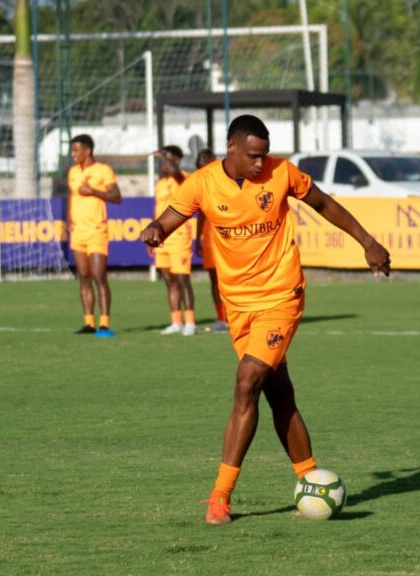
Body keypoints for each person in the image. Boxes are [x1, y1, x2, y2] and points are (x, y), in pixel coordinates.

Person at [139, 115, 391, 525]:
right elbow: (169, 218)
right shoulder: (202, 183)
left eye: (265, 155)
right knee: (279, 394)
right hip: (238, 305)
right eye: (254, 156)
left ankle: (220, 496)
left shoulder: (282, 173)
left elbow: (325, 203)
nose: (261, 163)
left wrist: (368, 242)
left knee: (247, 380)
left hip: (281, 295)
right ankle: (310, 478)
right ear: (232, 148)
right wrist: (156, 230)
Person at [67, 134, 122, 337]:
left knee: (99, 277)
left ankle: (105, 323)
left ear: (87, 151)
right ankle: (89, 322)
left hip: (96, 231)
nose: (73, 154)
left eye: (76, 150)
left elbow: (117, 197)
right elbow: (72, 199)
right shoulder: (72, 172)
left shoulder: (103, 170)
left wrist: (93, 191)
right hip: (78, 232)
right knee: (84, 277)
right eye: (72, 150)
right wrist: (69, 222)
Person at [151, 145, 196, 336]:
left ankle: (190, 323)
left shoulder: (183, 177)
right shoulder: (160, 183)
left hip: (179, 236)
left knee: (183, 280)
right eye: (161, 160)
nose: (162, 163)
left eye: (166, 159)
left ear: (176, 160)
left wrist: (162, 155)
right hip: (162, 239)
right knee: (169, 281)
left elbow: (175, 172)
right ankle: (176, 321)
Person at [193, 149, 229, 333]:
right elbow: (200, 213)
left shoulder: (227, 180)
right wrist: (197, 237)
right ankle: (222, 318)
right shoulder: (201, 184)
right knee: (215, 279)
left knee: (232, 277)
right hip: (209, 238)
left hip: (229, 236)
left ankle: (240, 315)